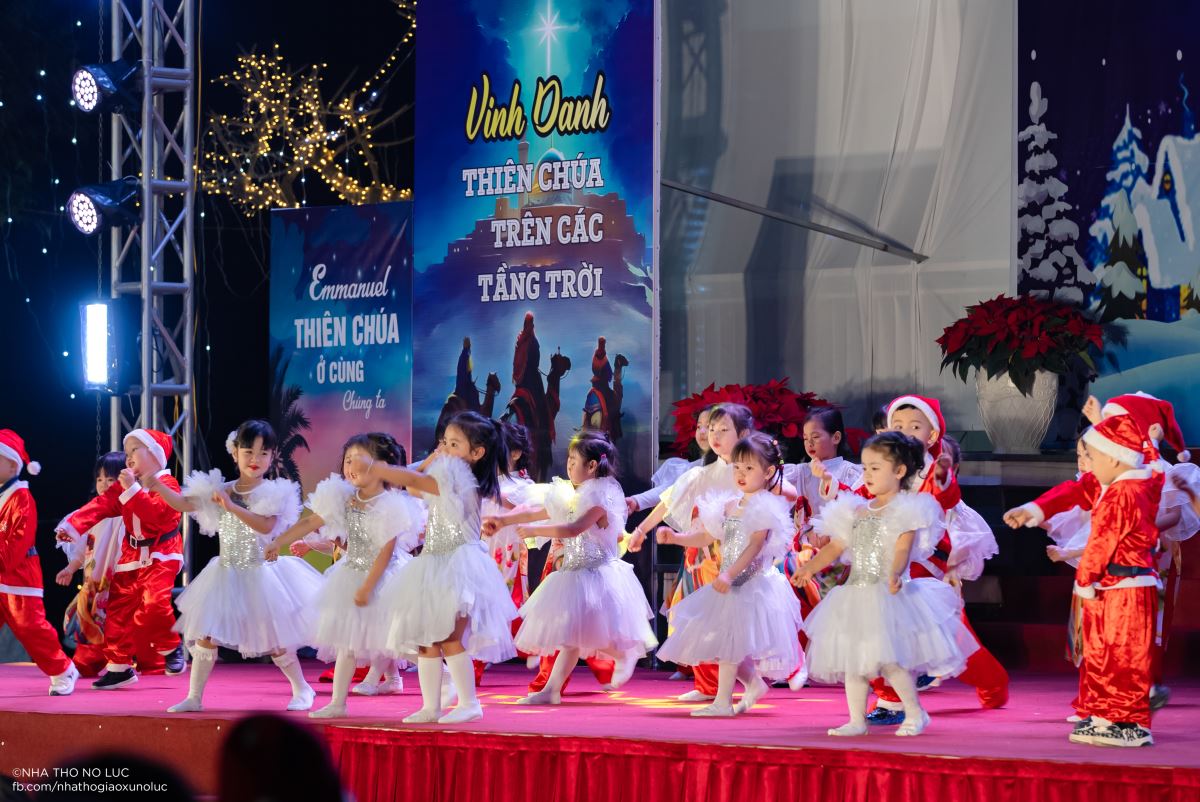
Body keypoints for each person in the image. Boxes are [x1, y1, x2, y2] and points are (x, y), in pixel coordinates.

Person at [797, 431, 977, 737]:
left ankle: (915, 713)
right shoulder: (856, 510)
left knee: (891, 662)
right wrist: (810, 568)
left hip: (887, 595)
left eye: (875, 468)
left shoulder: (907, 511)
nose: (867, 474)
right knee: (854, 662)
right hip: (855, 595)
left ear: (899, 471)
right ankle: (856, 720)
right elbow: (836, 547)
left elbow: (903, 549)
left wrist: (895, 573)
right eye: (865, 467)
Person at [147, 420, 322, 713]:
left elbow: (265, 526)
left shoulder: (274, 492)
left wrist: (231, 506)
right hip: (225, 573)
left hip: (260, 575)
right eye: (248, 451)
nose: (255, 459)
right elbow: (183, 504)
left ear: (272, 456)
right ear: (235, 452)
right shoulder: (222, 489)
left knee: (275, 639)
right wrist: (156, 485)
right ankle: (194, 697)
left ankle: (302, 688)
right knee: (206, 634)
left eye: (263, 453)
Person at [369, 412, 519, 724]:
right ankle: (430, 707)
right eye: (444, 442)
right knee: (427, 639)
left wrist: (383, 469)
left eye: (453, 444)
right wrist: (428, 461)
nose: (444, 450)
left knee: (450, 638)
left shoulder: (463, 482)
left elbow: (413, 481)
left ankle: (469, 703)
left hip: (459, 567)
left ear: (476, 453)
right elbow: (412, 488)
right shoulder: (444, 478)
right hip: (433, 564)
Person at [487, 431, 656, 704]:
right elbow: (538, 511)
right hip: (574, 572)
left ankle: (623, 654)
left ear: (592, 466)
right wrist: (503, 521)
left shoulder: (600, 498)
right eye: (568, 458)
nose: (568, 464)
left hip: (597, 574)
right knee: (571, 637)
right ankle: (551, 690)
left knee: (583, 634)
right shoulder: (571, 494)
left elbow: (573, 528)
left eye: (574, 460)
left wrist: (534, 530)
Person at [266, 432, 425, 718]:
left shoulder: (390, 505)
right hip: (351, 574)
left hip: (383, 580)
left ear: (381, 465)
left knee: (399, 640)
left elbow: (385, 551)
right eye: (347, 459)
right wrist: (279, 541)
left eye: (358, 459)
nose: (350, 466)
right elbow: (311, 521)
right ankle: (338, 703)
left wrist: (368, 586)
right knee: (347, 643)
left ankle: (446, 678)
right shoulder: (344, 498)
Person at [656, 433, 802, 717]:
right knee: (720, 640)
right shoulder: (730, 504)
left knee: (728, 644)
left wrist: (730, 574)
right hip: (730, 582)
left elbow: (755, 546)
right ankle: (753, 684)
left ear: (768, 472)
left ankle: (723, 702)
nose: (741, 474)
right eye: (737, 467)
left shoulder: (766, 507)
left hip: (749, 586)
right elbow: (708, 537)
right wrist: (675, 537)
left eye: (749, 468)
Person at [57, 429, 187, 689]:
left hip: (161, 553)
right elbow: (102, 505)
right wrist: (73, 526)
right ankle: (119, 668)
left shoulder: (167, 484)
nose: (128, 457)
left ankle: (171, 648)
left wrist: (132, 489)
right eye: (127, 452)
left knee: (153, 602)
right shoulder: (127, 485)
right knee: (118, 610)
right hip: (131, 554)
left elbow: (155, 517)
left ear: (154, 454)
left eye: (134, 450)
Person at [1066, 415, 1162, 747]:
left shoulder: (1122, 493)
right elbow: (1157, 473)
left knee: (1122, 656)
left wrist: (1084, 578)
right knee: (1107, 654)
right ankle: (1106, 715)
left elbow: (1100, 542)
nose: (1088, 465)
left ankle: (1127, 721)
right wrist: (1151, 445)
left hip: (1122, 591)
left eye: (1092, 457)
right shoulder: (1139, 486)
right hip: (1118, 588)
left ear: (1114, 459)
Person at [0, 429, 78, 695]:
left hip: (19, 576)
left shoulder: (22, 498)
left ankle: (64, 670)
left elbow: (17, 542)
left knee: (30, 628)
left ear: (13, 466)